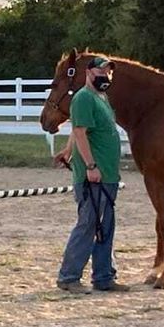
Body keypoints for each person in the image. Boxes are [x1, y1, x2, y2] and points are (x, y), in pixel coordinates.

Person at [54, 55, 130, 294]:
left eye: (108, 72)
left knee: (105, 225)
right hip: (94, 175)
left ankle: (104, 276)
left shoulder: (101, 97)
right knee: (88, 225)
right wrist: (90, 166)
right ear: (88, 73)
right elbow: (79, 131)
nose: (105, 76)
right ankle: (69, 276)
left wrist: (67, 150)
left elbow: (79, 129)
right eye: (100, 72)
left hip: (107, 174)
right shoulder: (84, 98)